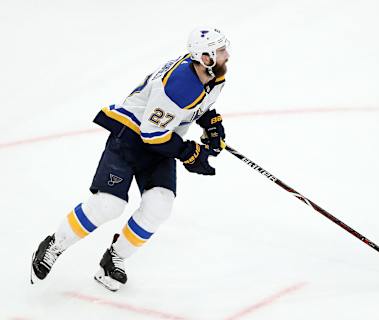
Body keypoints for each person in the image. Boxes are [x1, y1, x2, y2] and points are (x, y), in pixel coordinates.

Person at [30, 27, 230, 291]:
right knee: (108, 205)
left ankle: (113, 258)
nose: (227, 55)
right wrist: (189, 153)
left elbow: (194, 105)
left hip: (161, 141)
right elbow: (152, 134)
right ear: (204, 57)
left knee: (159, 205)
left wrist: (209, 122)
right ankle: (55, 244)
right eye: (220, 51)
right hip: (131, 138)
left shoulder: (212, 75)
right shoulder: (180, 84)